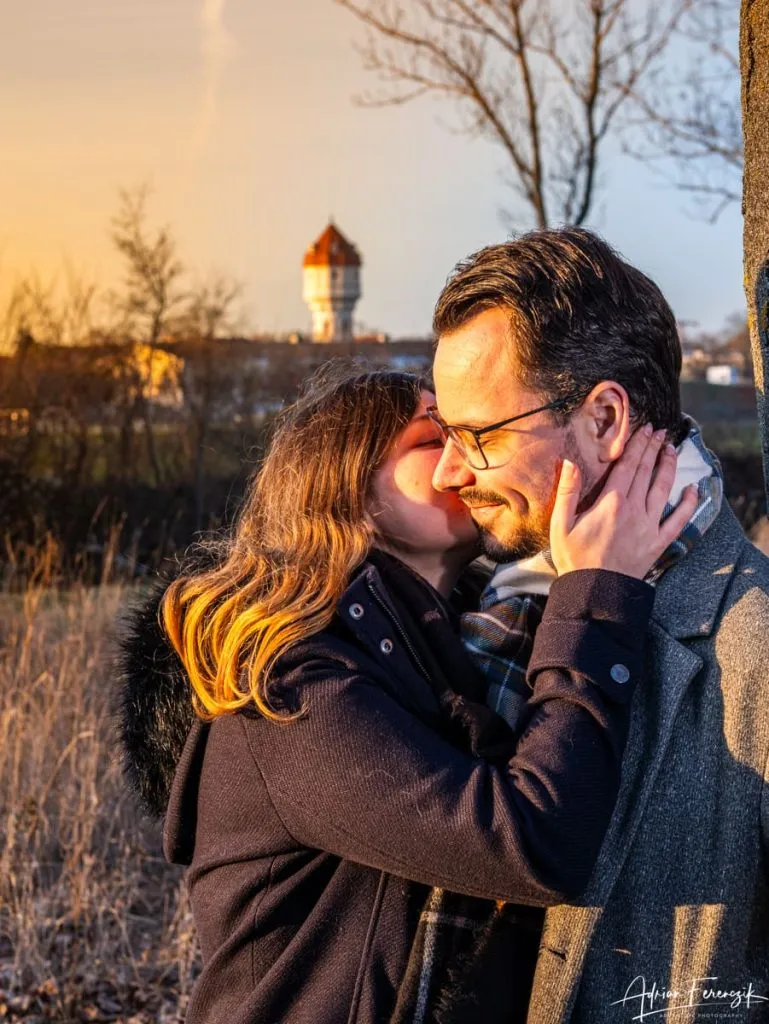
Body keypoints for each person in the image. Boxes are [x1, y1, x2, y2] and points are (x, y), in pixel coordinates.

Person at [115, 366, 692, 1024]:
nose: (462, 463)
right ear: (345, 487)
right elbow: (528, 845)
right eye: (432, 439)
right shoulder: (285, 692)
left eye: (473, 435)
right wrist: (594, 592)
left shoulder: (475, 645)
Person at [429, 226, 769, 1023]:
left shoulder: (754, 652)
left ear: (606, 418)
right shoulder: (471, 607)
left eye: (475, 436)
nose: (448, 472)